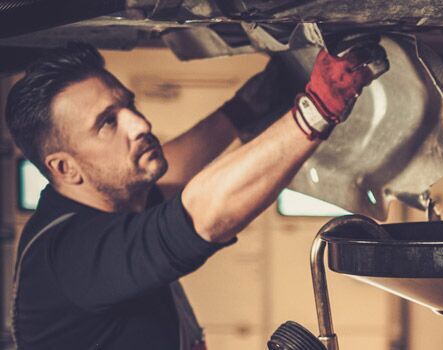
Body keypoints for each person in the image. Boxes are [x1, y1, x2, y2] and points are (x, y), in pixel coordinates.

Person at [4, 39, 386, 349]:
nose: (139, 123)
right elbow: (199, 216)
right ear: (64, 168)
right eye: (108, 122)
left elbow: (168, 169)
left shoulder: (107, 202)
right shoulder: (70, 255)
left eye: (128, 105)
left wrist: (242, 109)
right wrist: (317, 108)